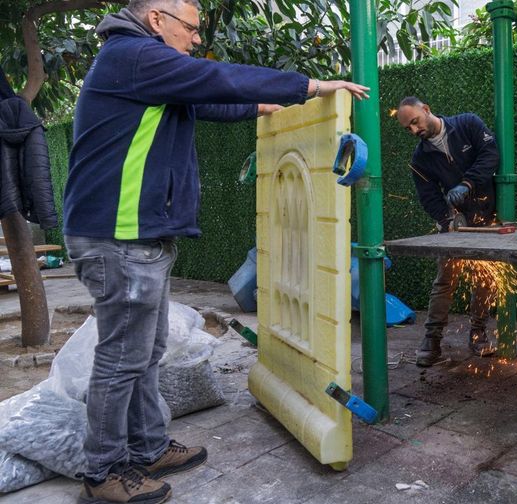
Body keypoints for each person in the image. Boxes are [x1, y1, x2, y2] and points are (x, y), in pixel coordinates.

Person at [63, 1, 369, 503]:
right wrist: (310, 86)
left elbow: (206, 99)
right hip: (118, 237)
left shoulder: (145, 69)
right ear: (157, 19)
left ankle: (148, 446)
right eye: (190, 28)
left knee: (145, 350)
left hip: (134, 235)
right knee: (123, 358)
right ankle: (103, 472)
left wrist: (260, 107)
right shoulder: (135, 56)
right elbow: (219, 78)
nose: (194, 38)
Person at [395, 96, 499, 367]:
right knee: (445, 279)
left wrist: (467, 184)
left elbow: (491, 156)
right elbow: (429, 197)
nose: (414, 131)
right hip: (455, 221)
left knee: (485, 278)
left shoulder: (467, 124)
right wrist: (447, 219)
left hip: (488, 216)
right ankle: (432, 340)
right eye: (408, 129)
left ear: (426, 109)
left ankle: (478, 332)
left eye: (415, 122)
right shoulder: (420, 158)